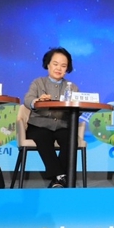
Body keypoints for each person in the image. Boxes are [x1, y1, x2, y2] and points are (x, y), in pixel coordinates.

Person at [23, 47, 77, 188]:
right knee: (43, 137)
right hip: (39, 124)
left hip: (62, 125)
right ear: (48, 64)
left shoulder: (72, 87)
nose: (59, 68)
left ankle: (58, 179)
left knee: (70, 139)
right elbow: (28, 99)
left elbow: (79, 110)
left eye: (63, 66)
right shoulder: (38, 82)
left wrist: (73, 106)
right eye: (55, 64)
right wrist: (37, 101)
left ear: (67, 69)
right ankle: (61, 176)